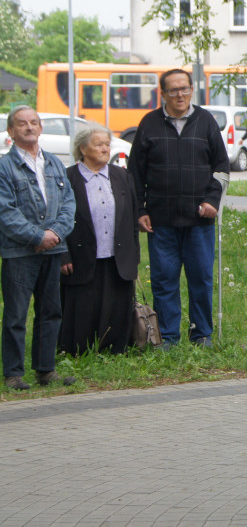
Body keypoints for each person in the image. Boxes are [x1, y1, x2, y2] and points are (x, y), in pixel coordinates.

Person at [128, 69, 230, 349]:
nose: (180, 95)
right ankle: (168, 337)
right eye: (173, 90)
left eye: (184, 89)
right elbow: (134, 173)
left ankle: (202, 335)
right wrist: (139, 210)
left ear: (192, 89)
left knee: (201, 280)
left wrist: (212, 201)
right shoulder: (149, 124)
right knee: (164, 281)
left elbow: (222, 168)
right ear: (162, 93)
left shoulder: (206, 121)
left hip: (200, 220)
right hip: (160, 221)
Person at [0, 106, 76, 390]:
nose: (29, 127)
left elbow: (69, 203)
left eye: (34, 123)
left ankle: (46, 370)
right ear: (11, 131)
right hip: (20, 252)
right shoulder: (4, 167)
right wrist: (36, 237)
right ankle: (13, 373)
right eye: (22, 124)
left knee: (50, 312)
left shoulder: (55, 163)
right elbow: (5, 213)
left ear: (41, 128)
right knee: (16, 315)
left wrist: (54, 234)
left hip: (53, 249)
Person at [60, 124, 140, 356]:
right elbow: (57, 219)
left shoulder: (122, 176)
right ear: (83, 149)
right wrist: (63, 255)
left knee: (116, 303)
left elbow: (131, 220)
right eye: (99, 144)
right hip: (80, 256)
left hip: (117, 257)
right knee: (84, 304)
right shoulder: (68, 178)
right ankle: (77, 350)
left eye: (107, 144)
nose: (106, 149)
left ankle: (116, 347)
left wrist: (133, 256)